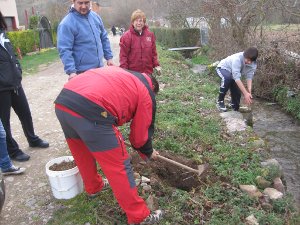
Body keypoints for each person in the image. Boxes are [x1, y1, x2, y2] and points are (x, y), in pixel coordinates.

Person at [54, 66, 163, 224]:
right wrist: (148, 151)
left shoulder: (126, 75)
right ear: (153, 88)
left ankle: (93, 187)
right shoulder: (146, 92)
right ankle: (139, 217)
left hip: (64, 103)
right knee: (119, 165)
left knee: (81, 151)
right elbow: (140, 136)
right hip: (91, 111)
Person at [0, 11, 49, 162]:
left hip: (15, 83)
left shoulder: (3, 34)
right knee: (4, 122)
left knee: (25, 114)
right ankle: (13, 151)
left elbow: (12, 55)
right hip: (1, 88)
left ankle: (32, 139)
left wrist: (18, 70)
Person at [57, 0, 114, 81]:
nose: (84, 6)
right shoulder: (66, 24)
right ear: (73, 2)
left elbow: (104, 38)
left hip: (100, 69)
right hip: (81, 73)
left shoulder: (96, 17)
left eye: (86, 2)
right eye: (80, 3)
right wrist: (71, 71)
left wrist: (109, 57)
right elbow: (64, 49)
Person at [216, 47, 258, 112]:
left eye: (251, 61)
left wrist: (249, 91)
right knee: (227, 79)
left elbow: (249, 77)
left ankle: (234, 106)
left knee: (238, 92)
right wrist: (245, 94)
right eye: (247, 59)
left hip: (233, 74)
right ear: (244, 55)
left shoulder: (253, 64)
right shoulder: (237, 59)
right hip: (223, 68)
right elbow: (237, 78)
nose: (249, 62)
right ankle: (220, 101)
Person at [119, 9, 161, 75]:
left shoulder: (150, 35)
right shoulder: (126, 36)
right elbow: (123, 56)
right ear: (132, 22)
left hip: (148, 72)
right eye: (136, 20)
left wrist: (156, 65)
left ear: (144, 22)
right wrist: (125, 72)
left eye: (141, 21)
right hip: (133, 74)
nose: (139, 23)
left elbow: (153, 53)